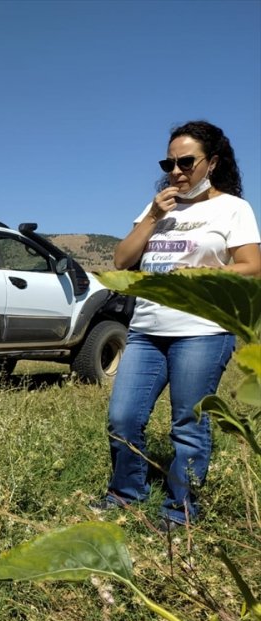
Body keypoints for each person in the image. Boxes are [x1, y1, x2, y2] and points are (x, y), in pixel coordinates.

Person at [97, 120, 260, 530]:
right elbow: (122, 259)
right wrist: (153, 215)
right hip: (146, 329)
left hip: (202, 330)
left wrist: (200, 277)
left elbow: (252, 266)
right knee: (123, 417)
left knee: (188, 423)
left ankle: (180, 511)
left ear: (212, 162)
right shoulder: (158, 208)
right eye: (168, 163)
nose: (176, 171)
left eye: (186, 162)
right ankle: (125, 494)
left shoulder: (233, 208)